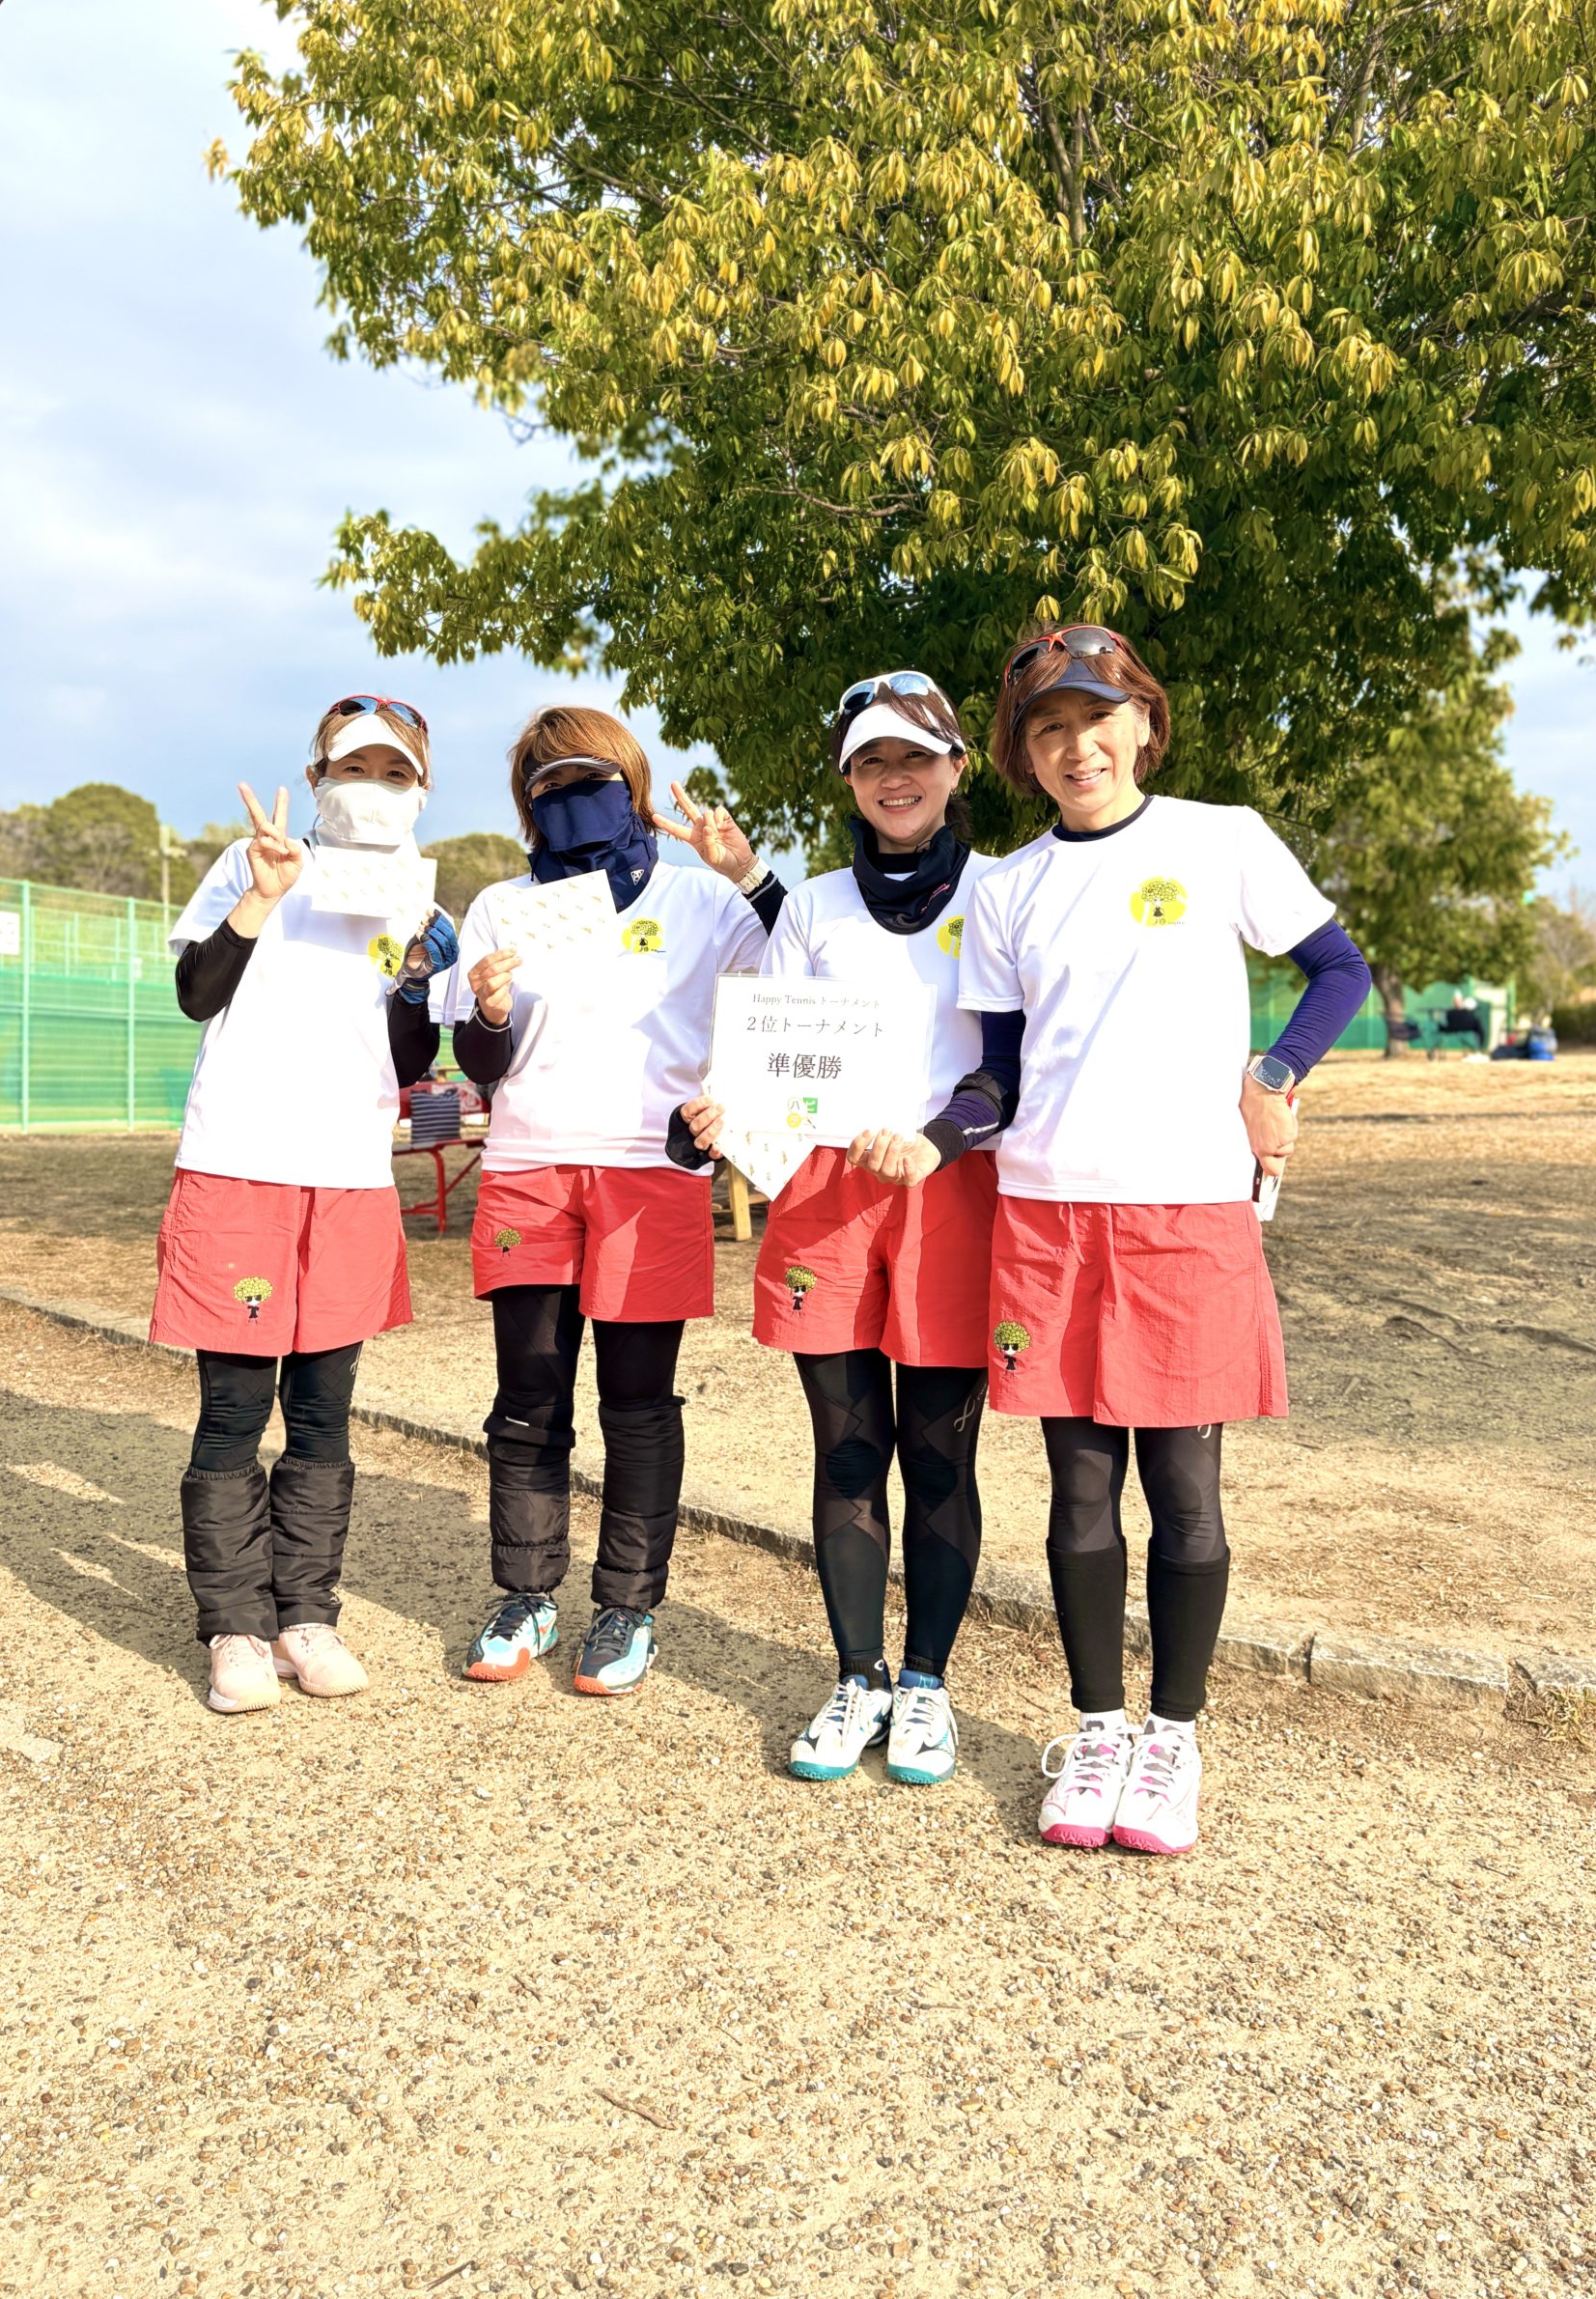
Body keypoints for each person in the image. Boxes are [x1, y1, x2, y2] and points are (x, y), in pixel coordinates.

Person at [943, 628, 1370, 1853]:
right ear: (1023, 753)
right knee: (1079, 1489)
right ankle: (1097, 1731)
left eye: (1097, 718)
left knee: (1184, 1490)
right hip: (1048, 1215)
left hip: (1187, 1208)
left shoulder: (1220, 838)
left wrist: (1272, 1075)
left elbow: (1337, 969)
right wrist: (935, 1134)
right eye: (1048, 727)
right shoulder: (1005, 889)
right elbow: (1000, 1072)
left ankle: (1172, 1737)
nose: (1076, 746)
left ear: (1143, 723)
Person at [676, 675, 1000, 1787]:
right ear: (850, 780)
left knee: (941, 1457)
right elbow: (773, 1053)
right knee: (850, 1451)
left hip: (953, 1189)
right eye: (871, 760)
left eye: (915, 755)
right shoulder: (811, 907)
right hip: (828, 1198)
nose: (894, 777)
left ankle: (927, 1684)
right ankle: (859, 1676)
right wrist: (725, 1112)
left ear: (957, 766)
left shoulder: (1005, 894)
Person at [450, 708, 783, 1696]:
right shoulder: (503, 905)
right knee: (528, 1398)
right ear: (526, 805)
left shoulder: (700, 900)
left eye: (589, 779)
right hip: (528, 1168)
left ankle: (628, 1606)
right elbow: (478, 1062)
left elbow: (802, 974)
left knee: (637, 1404)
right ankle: (526, 1594)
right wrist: (491, 1011)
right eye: (546, 785)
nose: (568, 799)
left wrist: (746, 873)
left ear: (633, 785)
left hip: (651, 1172)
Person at [155, 693, 456, 1714]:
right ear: (317, 777)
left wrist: (415, 980)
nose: (373, 788)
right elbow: (196, 993)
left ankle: (306, 1615)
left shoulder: (418, 901)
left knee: (324, 1414)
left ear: (422, 790)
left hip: (350, 1178)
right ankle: (234, 1626)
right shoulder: (254, 864)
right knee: (235, 1410)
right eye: (353, 768)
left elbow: (405, 1062)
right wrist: (260, 895)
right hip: (240, 1165)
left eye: (395, 773)